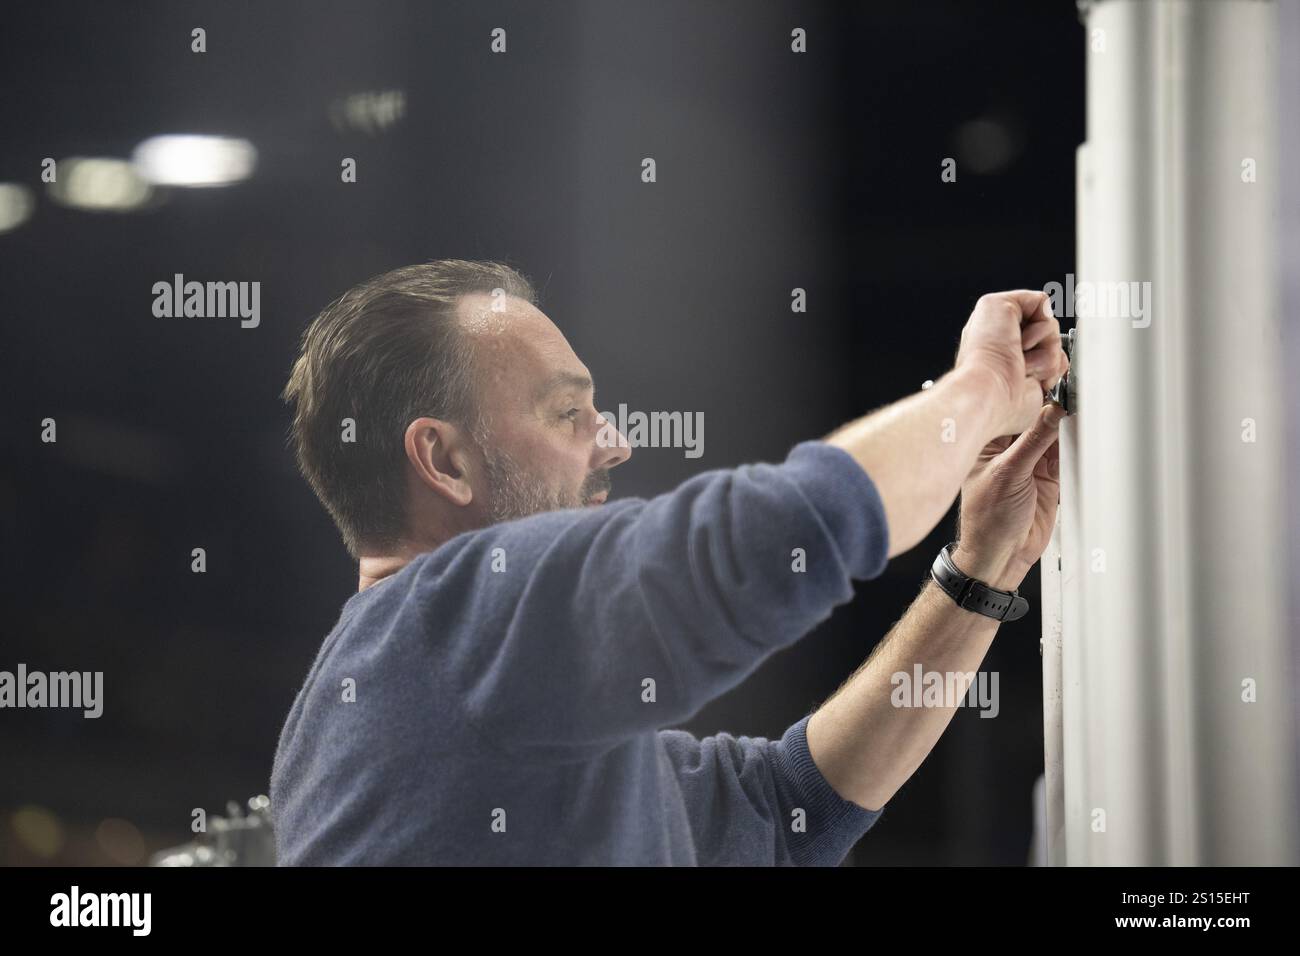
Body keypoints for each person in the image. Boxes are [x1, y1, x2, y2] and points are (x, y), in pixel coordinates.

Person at [270, 259, 1069, 865]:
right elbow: (791, 524)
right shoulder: (453, 622)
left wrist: (980, 572)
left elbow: (790, 810)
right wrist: (982, 388)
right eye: (567, 413)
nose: (613, 443)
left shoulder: (453, 683)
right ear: (444, 462)